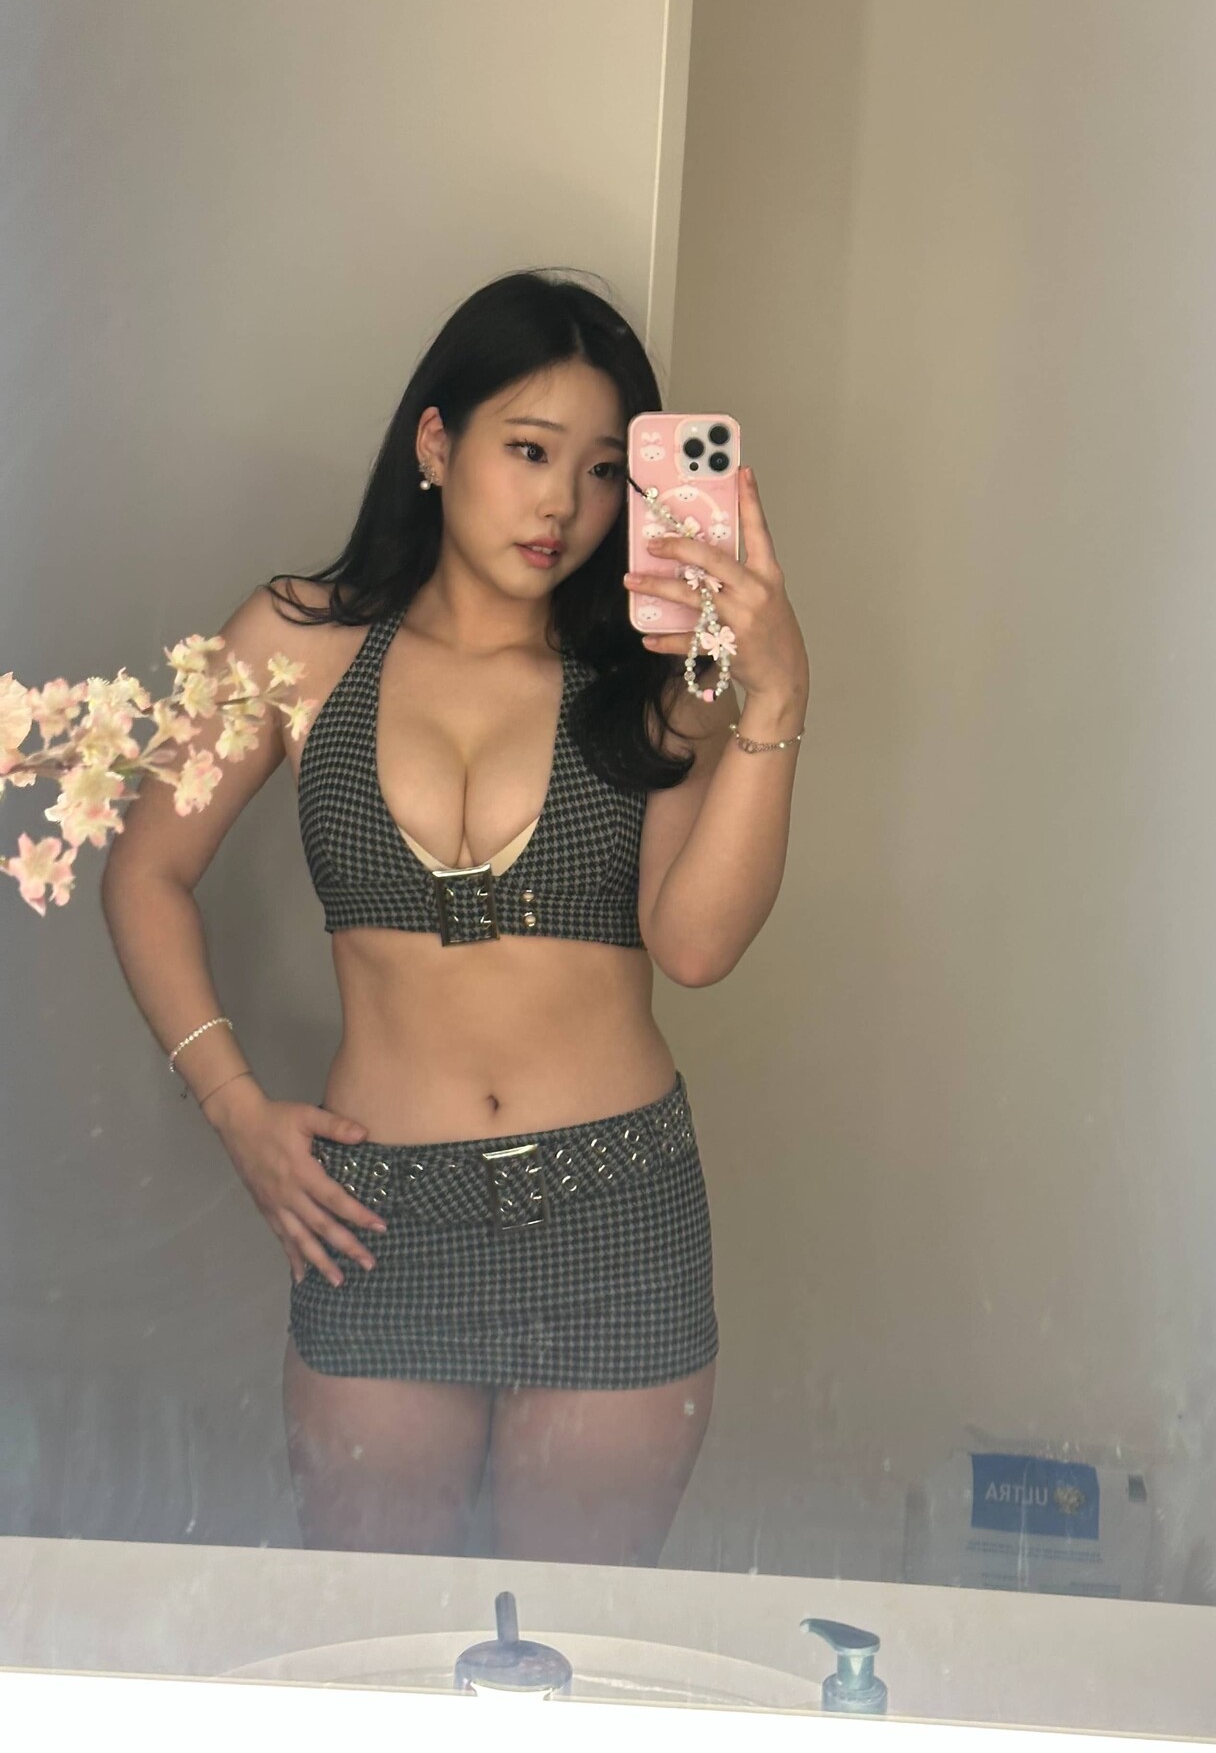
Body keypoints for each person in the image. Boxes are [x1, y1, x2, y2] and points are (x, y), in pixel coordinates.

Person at [99, 268, 810, 1566]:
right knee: (378, 1637)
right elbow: (145, 870)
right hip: (378, 1218)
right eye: (529, 450)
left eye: (605, 470)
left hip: (617, 1211)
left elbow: (696, 946)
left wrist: (774, 701)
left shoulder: (650, 672)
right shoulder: (299, 641)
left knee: (577, 1647)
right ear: (436, 441)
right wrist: (236, 1110)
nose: (564, 505)